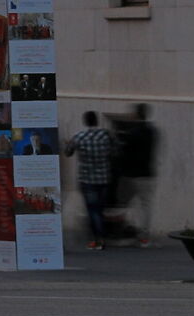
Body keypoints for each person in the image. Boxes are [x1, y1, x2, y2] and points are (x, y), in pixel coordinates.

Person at [66, 110, 115, 251]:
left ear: (85, 122)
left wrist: (68, 144)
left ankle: (97, 239)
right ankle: (101, 237)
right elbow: (114, 150)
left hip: (87, 179)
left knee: (92, 210)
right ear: (97, 121)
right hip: (104, 178)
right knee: (100, 209)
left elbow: (68, 152)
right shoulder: (105, 136)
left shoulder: (79, 137)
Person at [114, 104, 158, 246]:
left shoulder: (132, 132)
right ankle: (144, 235)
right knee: (145, 205)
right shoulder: (152, 131)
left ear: (136, 115)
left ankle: (128, 231)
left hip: (131, 174)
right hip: (147, 173)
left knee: (124, 203)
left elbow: (124, 152)